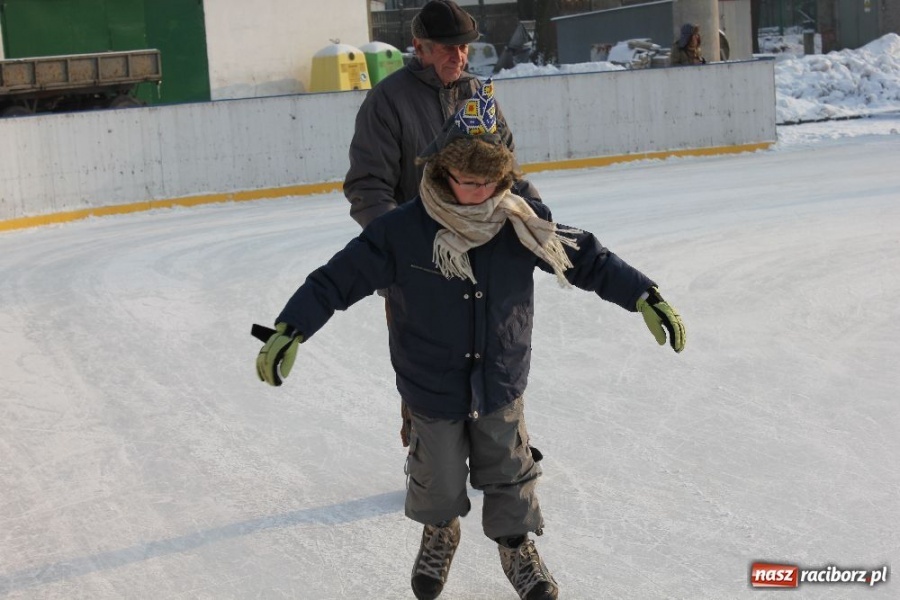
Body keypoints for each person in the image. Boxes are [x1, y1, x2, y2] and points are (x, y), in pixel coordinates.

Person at [253, 84, 686, 600]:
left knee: (508, 470)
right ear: (441, 170)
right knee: (436, 479)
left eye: (489, 182)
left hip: (499, 376)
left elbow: (585, 257)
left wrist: (644, 293)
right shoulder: (402, 231)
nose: (478, 192)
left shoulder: (519, 221)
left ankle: (516, 546)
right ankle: (440, 530)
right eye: (466, 181)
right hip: (431, 381)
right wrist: (291, 326)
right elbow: (336, 279)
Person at [344, 0, 542, 450]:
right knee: (427, 367)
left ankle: (504, 445)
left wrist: (536, 219)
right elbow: (367, 187)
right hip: (422, 265)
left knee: (496, 354)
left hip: (484, 255)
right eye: (448, 48)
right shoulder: (388, 101)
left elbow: (506, 171)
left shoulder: (478, 96)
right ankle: (427, 456)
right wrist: (401, 248)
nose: (459, 56)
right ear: (420, 47)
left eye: (464, 48)